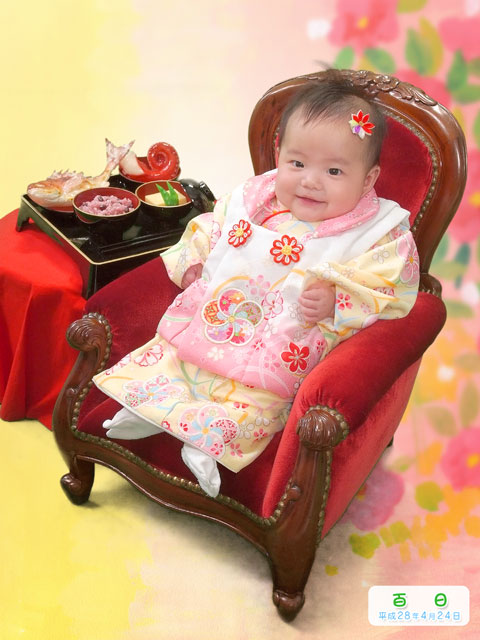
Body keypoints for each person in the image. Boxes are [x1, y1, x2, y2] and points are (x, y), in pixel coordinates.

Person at [93, 74, 420, 497]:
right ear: (280, 154)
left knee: (256, 407)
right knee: (172, 363)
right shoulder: (254, 199)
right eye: (297, 163)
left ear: (368, 178)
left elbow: (390, 286)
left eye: (334, 170)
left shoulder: (374, 231)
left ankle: (206, 443)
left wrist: (338, 299)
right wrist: (193, 263)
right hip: (216, 325)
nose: (310, 181)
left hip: (278, 353)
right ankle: (149, 410)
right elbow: (210, 227)